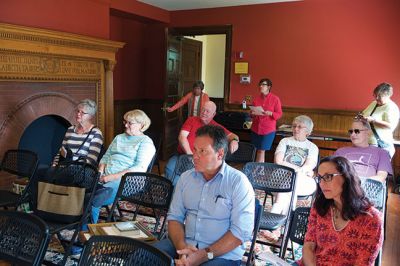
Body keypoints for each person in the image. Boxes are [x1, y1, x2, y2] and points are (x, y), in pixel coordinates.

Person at [154, 125, 255, 266]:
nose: (194, 156)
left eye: (202, 151)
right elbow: (175, 218)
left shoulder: (238, 182)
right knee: (142, 256)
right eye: (194, 149)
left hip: (221, 254)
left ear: (220, 154)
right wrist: (182, 248)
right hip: (185, 245)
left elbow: (240, 233)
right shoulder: (186, 178)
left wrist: (204, 255)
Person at [299, 156, 383, 266]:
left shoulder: (371, 218)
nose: (322, 184)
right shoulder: (320, 206)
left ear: (346, 177)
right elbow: (309, 246)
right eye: (320, 178)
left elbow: (362, 263)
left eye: (328, 177)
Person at [90, 109, 155, 224]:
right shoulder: (119, 138)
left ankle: (87, 233)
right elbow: (105, 157)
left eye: (130, 123)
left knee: (95, 198)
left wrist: (110, 177)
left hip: (130, 180)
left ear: (142, 125)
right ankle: (77, 223)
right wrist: (100, 172)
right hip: (104, 175)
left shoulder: (146, 142)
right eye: (125, 122)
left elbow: (139, 168)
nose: (125, 125)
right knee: (82, 190)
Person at [165, 101, 239, 184]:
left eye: (207, 111)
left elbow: (233, 136)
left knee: (195, 177)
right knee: (170, 169)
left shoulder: (215, 127)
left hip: (202, 160)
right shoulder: (191, 120)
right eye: (203, 110)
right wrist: (190, 155)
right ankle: (175, 193)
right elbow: (182, 137)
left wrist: (234, 141)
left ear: (213, 114)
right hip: (182, 155)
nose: (204, 112)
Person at [271, 115, 318, 215]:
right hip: (279, 176)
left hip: (302, 181)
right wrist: (300, 169)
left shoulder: (312, 147)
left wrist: (301, 170)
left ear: (308, 131)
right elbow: (278, 162)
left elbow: (308, 166)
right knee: (291, 180)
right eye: (294, 126)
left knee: (293, 180)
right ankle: (286, 221)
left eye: (300, 127)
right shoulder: (284, 141)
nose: (296, 129)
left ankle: (274, 216)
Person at [334, 118, 392, 183]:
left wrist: (358, 183)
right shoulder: (340, 151)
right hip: (342, 187)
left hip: (367, 188)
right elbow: (332, 173)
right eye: (351, 132)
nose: (352, 134)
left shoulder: (382, 153)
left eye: (357, 131)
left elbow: (381, 177)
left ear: (368, 133)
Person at [52, 99, 103, 167]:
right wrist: (54, 164)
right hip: (64, 168)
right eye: (78, 111)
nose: (78, 114)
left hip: (82, 170)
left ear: (90, 116)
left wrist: (71, 162)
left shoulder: (96, 133)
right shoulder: (70, 129)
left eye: (82, 112)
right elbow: (61, 151)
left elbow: (91, 160)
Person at [361, 82, 399, 158]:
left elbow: (390, 126)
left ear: (387, 96)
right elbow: (364, 113)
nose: (376, 98)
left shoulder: (392, 107)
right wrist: (361, 117)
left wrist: (373, 120)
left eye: (379, 96)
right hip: (367, 142)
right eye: (375, 95)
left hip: (381, 144)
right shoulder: (374, 103)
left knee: (379, 168)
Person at [250, 78, 282, 162]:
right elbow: (251, 114)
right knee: (256, 149)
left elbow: (279, 114)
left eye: (263, 85)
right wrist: (252, 113)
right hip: (255, 128)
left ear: (268, 87)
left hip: (268, 130)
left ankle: (259, 171)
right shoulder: (256, 99)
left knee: (261, 150)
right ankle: (257, 169)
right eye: (260, 85)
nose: (260, 86)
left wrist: (271, 113)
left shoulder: (275, 99)